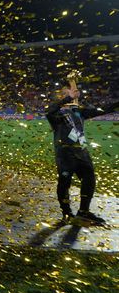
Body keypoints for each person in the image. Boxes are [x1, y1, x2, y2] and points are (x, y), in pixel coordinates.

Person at [45, 82, 115, 224]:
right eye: (67, 94)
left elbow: (102, 110)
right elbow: (49, 112)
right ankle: (66, 213)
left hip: (82, 151)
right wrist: (68, 98)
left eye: (72, 94)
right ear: (61, 97)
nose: (72, 95)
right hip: (65, 153)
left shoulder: (79, 111)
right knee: (65, 182)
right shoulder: (57, 114)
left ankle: (84, 211)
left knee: (89, 179)